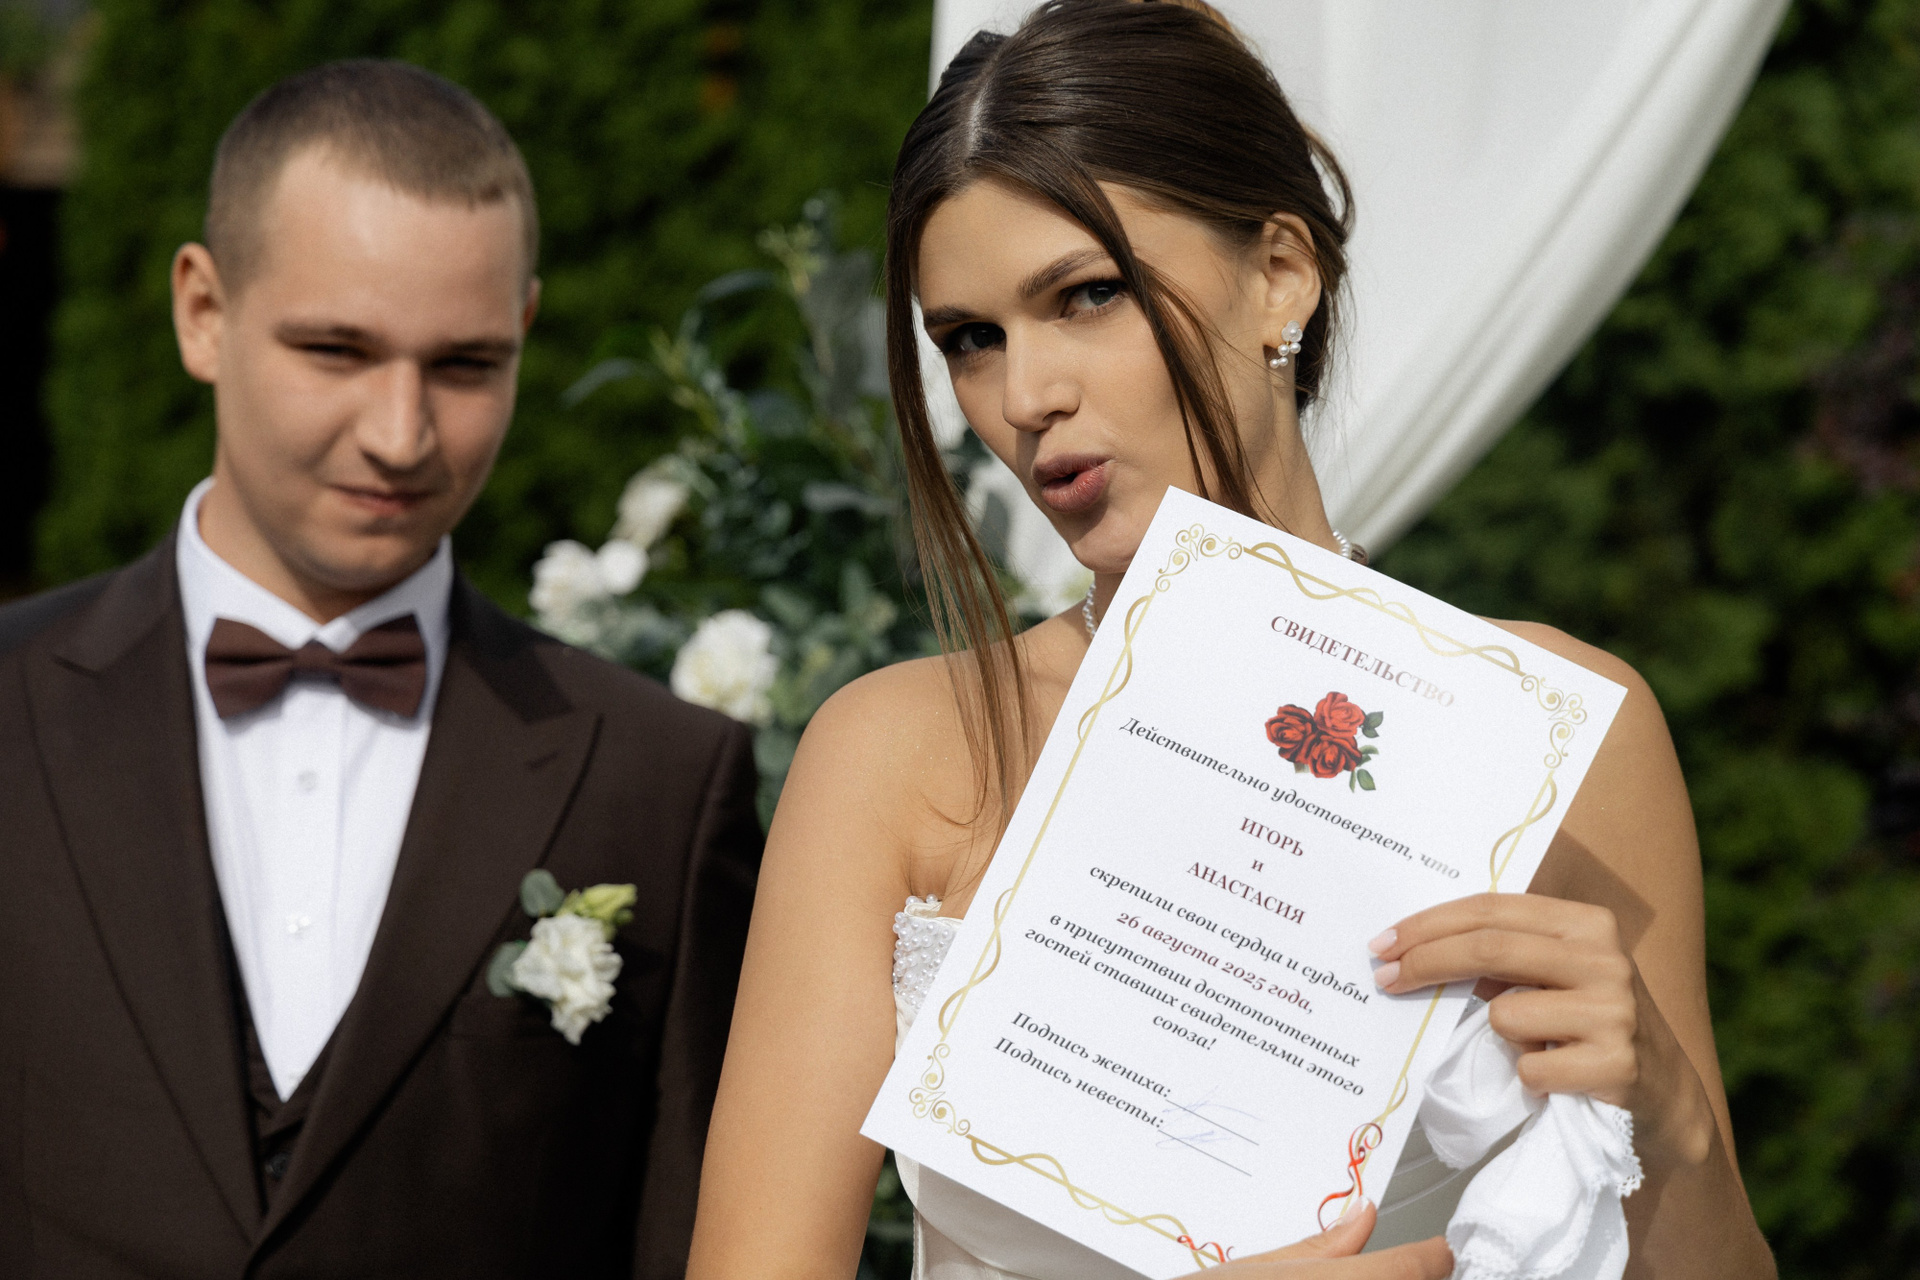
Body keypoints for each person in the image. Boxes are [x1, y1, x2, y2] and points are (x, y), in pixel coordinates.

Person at [688, 2, 1775, 1277]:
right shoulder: (895, 751)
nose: (1024, 395)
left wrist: (1671, 1120)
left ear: (1281, 274)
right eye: (970, 339)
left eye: (1086, 295)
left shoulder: (1558, 730)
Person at [0, 60, 761, 1277]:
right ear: (202, 311)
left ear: (523, 334)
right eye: (337, 349)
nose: (401, 434)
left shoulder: (659, 781)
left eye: (464, 365)